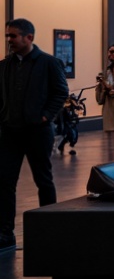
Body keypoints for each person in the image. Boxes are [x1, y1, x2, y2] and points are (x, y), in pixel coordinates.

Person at [0, 18, 68, 253]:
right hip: (10, 131)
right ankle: (5, 234)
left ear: (29, 37)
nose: (9, 40)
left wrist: (45, 116)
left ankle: (48, 229)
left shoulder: (48, 62)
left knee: (43, 179)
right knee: (5, 182)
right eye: (8, 36)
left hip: (37, 131)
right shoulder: (5, 65)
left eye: (13, 36)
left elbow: (61, 92)